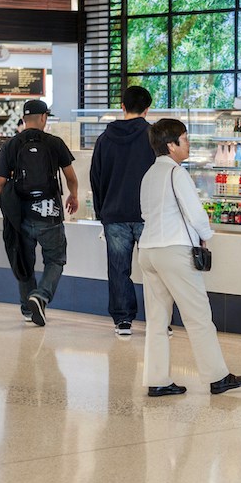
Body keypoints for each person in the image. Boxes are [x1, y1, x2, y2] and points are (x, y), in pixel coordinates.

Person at [138, 118, 241, 397]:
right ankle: (217, 377)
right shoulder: (177, 173)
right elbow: (196, 213)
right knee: (198, 316)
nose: (188, 144)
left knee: (157, 319)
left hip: (148, 251)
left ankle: (157, 379)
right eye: (185, 139)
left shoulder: (149, 174)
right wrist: (206, 234)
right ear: (171, 145)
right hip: (174, 251)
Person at [0, 99, 79, 326]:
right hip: (50, 214)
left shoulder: (11, 145)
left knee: (24, 261)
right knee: (55, 259)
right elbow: (70, 177)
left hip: (21, 215)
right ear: (44, 118)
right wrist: (73, 196)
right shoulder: (55, 143)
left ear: (24, 119)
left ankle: (28, 309)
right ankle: (41, 296)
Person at [90, 86, 156, 336]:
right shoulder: (153, 137)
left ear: (122, 106)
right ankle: (159, 321)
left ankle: (123, 321)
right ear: (147, 109)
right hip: (147, 215)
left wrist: (102, 212)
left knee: (118, 269)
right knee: (155, 269)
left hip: (114, 214)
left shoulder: (104, 139)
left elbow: (95, 178)